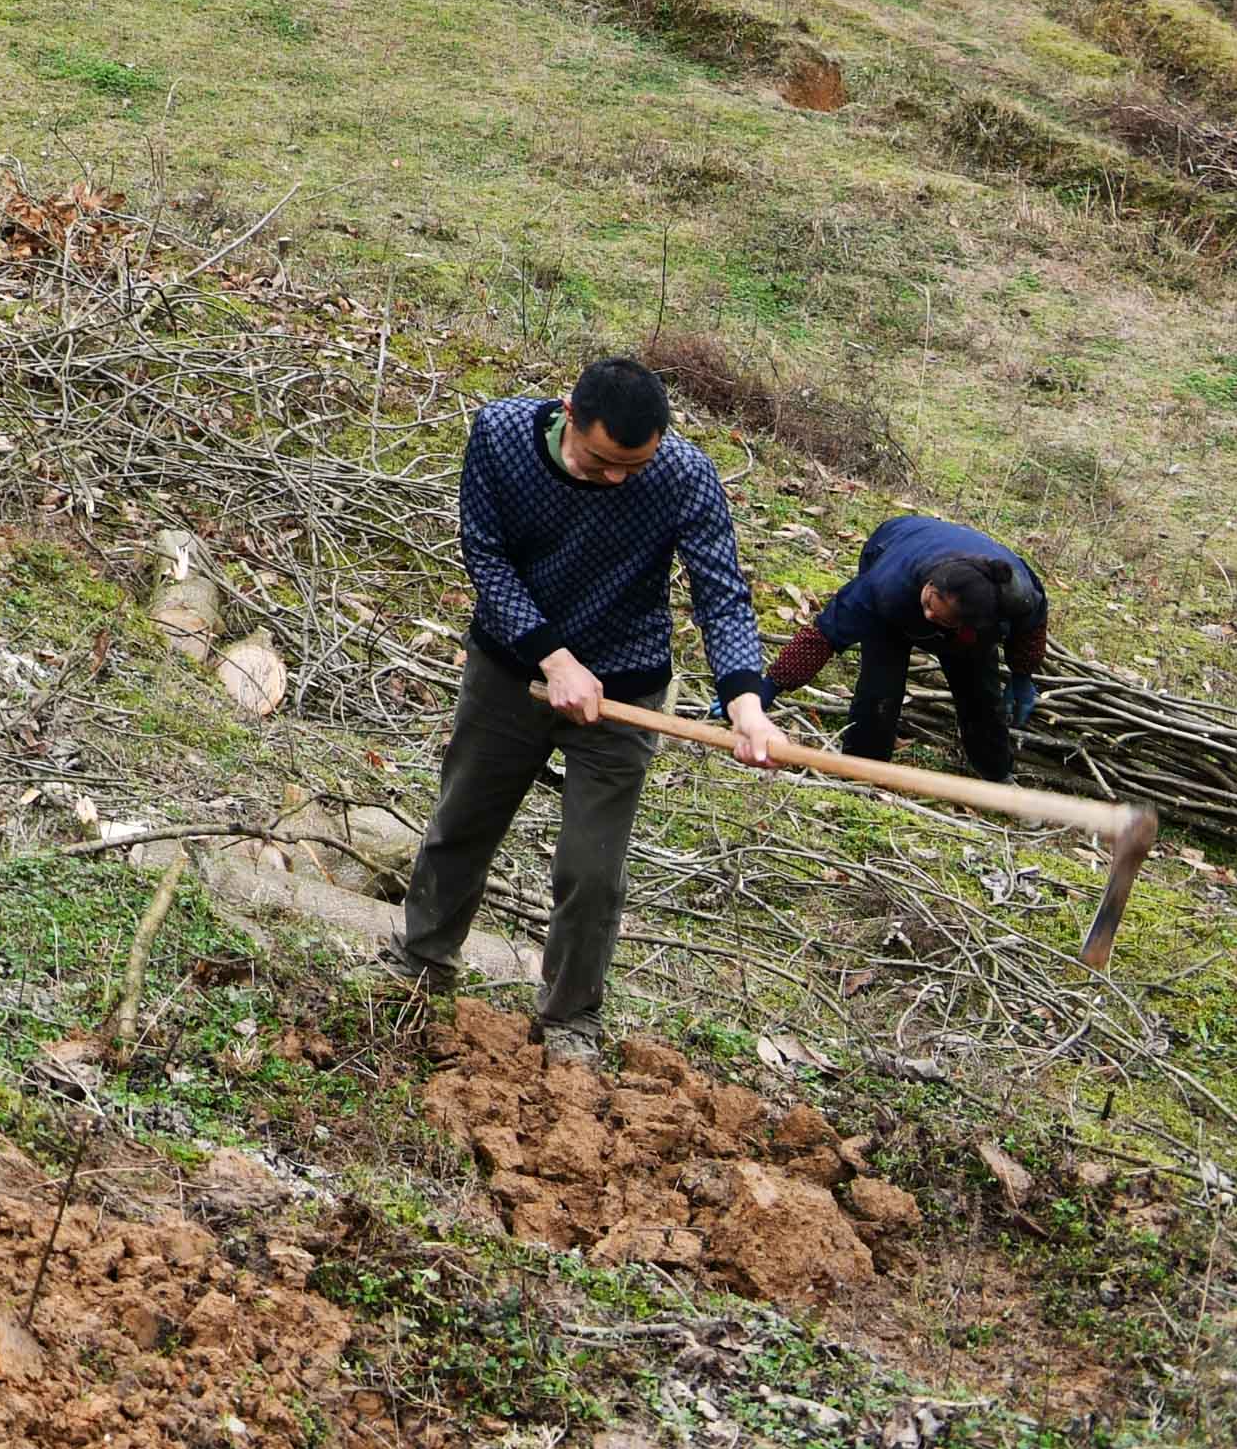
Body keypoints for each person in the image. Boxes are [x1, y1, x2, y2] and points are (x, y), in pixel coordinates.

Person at [388, 355, 780, 1046]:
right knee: (463, 823)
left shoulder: (684, 475)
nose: (619, 478)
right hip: (511, 670)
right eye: (602, 462)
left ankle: (570, 1019)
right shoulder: (502, 433)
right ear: (570, 414)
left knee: (592, 872)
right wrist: (553, 656)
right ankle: (422, 962)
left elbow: (720, 590)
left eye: (635, 464)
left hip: (627, 684)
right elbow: (485, 554)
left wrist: (745, 699)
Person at [762, 515, 1051, 782]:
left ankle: (997, 775)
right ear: (932, 582)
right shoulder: (886, 585)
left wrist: (1023, 674)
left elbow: (1033, 621)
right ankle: (863, 771)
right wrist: (771, 684)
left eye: (941, 617)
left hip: (968, 610)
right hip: (894, 547)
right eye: (929, 604)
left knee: (982, 696)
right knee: (880, 690)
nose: (928, 616)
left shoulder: (1013, 596)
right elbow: (826, 633)